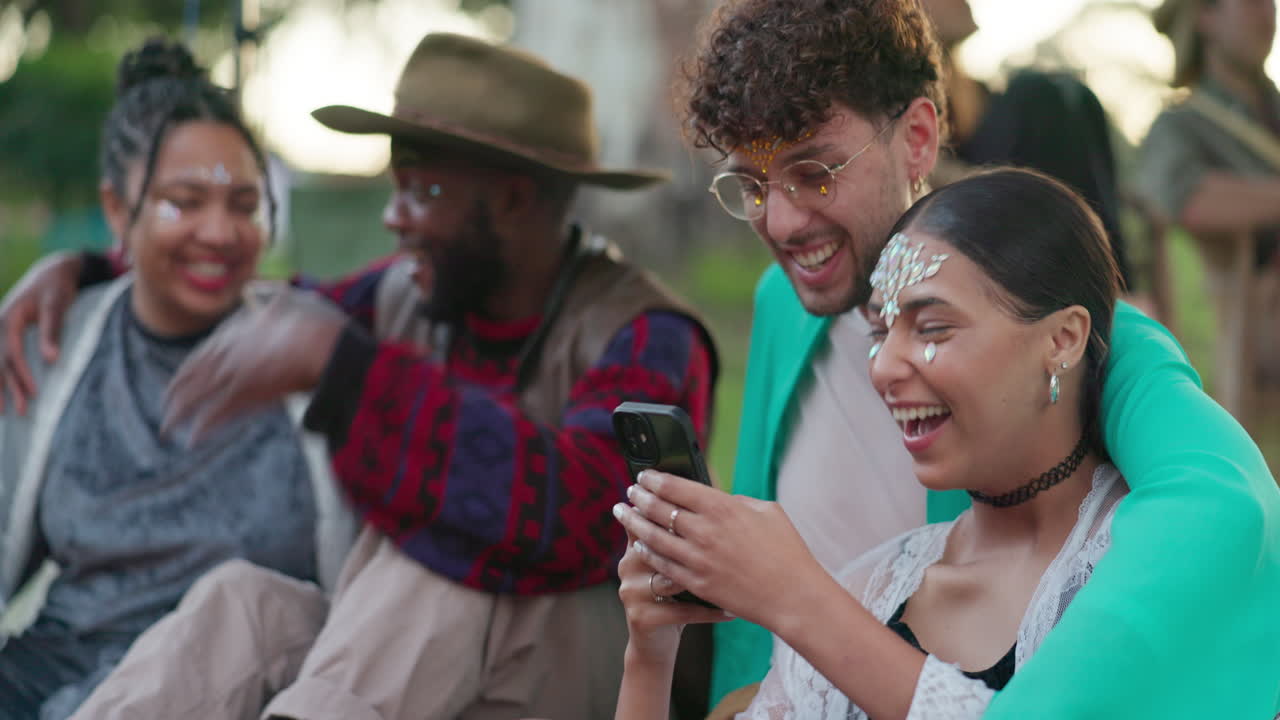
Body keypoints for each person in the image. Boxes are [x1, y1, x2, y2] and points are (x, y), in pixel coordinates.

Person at [47, 32, 716, 720]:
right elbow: (260, 311)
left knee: (442, 555)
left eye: (422, 191)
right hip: (420, 650)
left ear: (516, 201)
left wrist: (351, 373)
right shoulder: (407, 294)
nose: (393, 218)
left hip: (597, 677)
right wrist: (90, 272)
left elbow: (577, 511)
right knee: (242, 602)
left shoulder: (646, 336)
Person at [674, 0, 1279, 716]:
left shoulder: (1059, 325)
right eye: (751, 185)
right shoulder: (781, 300)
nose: (778, 220)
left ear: (920, 138)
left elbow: (1221, 499)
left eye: (817, 172)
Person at [615, 168, 1137, 718]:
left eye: (933, 329)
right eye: (880, 333)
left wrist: (797, 598)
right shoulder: (879, 584)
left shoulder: (1148, 565)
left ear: (1062, 339)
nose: (884, 368)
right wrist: (650, 655)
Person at [0, 38, 357, 719]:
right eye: (183, 202)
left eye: (245, 205)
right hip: (53, 679)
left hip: (243, 681)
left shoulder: (310, 346)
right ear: (116, 211)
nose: (219, 232)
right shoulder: (54, 340)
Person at [1136, 0, 1280, 421]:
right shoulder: (1180, 125)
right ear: (1206, 17)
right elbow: (1190, 201)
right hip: (1238, 347)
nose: (1267, 12)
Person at [921, 0, 1132, 287]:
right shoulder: (903, 117)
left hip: (1023, 222)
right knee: (1040, 92)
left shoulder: (985, 97)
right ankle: (1098, 279)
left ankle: (1110, 279)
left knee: (1069, 93)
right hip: (979, 244)